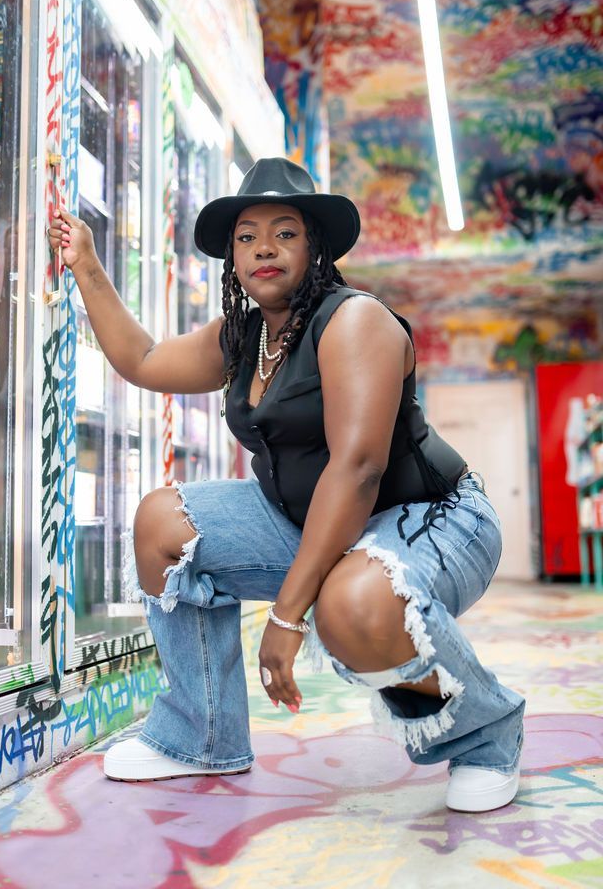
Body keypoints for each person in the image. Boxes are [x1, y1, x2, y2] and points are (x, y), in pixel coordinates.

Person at [48, 157, 525, 812]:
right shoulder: (246, 337)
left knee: (351, 609)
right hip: (308, 519)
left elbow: (358, 468)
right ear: (233, 258)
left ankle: (486, 737)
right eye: (247, 236)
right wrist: (85, 263)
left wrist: (286, 616)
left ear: (316, 247)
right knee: (164, 524)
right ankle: (200, 736)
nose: (263, 248)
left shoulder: (354, 321)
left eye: (284, 233)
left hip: (432, 518)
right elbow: (146, 359)